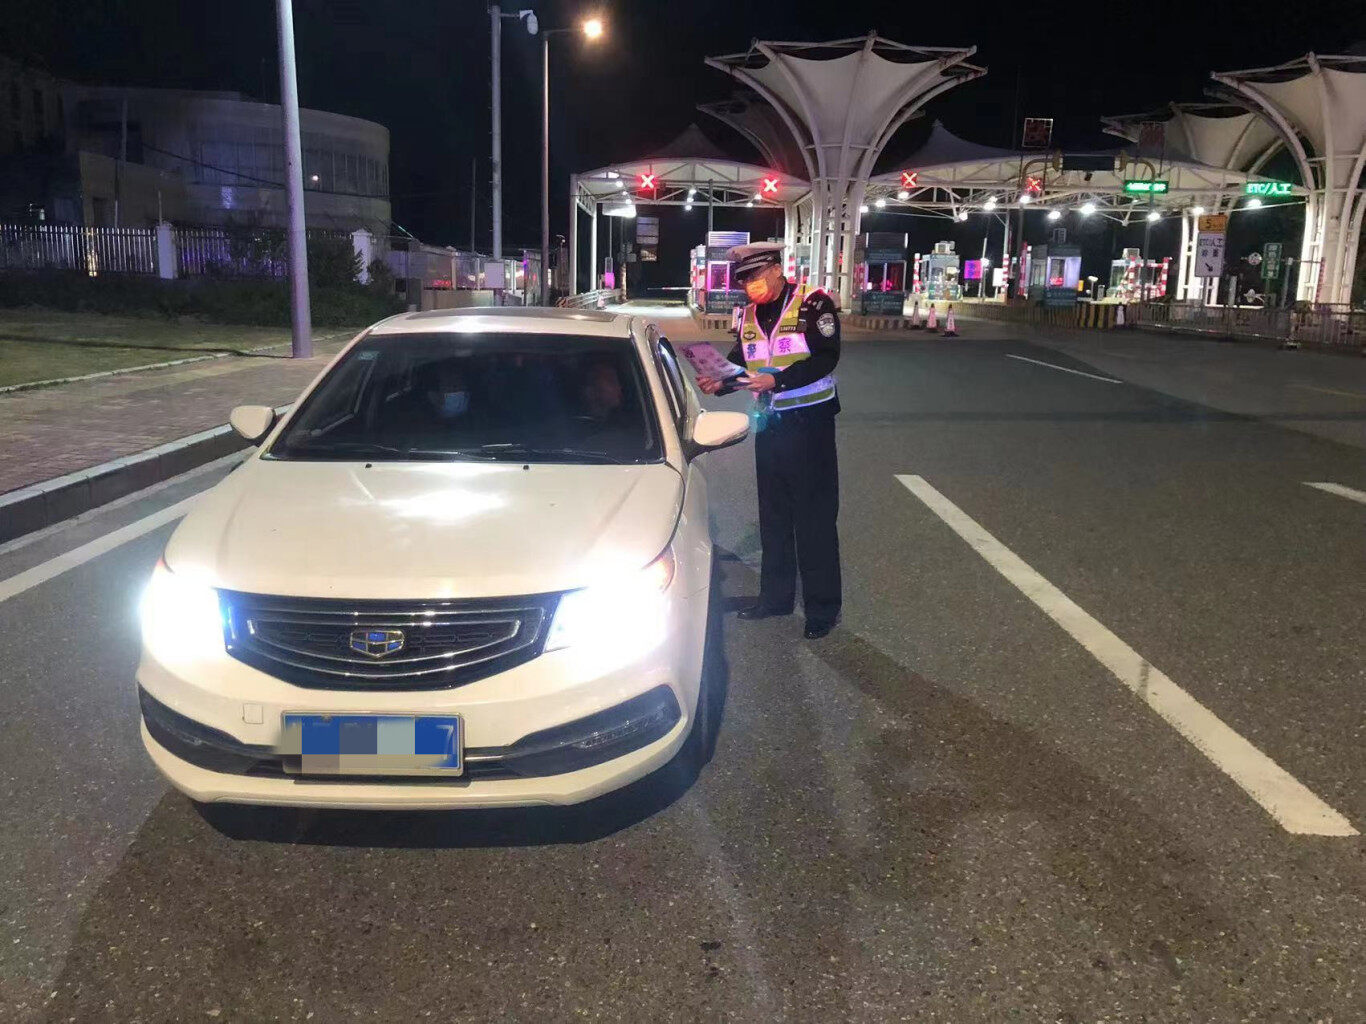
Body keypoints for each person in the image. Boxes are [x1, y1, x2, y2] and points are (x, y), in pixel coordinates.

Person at [697, 242, 842, 639]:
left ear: (777, 269)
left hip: (810, 425)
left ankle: (822, 610)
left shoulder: (813, 304)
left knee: (813, 519)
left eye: (756, 276)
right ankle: (775, 599)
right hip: (771, 426)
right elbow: (741, 364)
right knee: (774, 516)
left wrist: (778, 381)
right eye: (744, 279)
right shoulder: (748, 315)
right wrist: (719, 383)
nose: (750, 285)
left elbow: (826, 356)